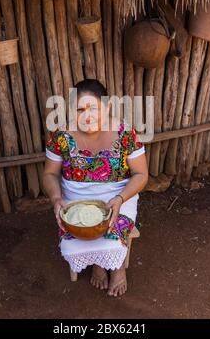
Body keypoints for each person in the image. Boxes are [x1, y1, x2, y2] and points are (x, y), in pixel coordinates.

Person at [43, 79, 148, 297]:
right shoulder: (61, 135)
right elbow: (50, 174)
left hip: (119, 196)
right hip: (75, 199)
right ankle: (98, 265)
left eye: (94, 108)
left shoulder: (125, 133)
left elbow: (141, 175)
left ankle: (117, 269)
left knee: (111, 238)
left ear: (108, 107)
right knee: (73, 245)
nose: (87, 115)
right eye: (80, 109)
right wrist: (56, 199)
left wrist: (120, 199)